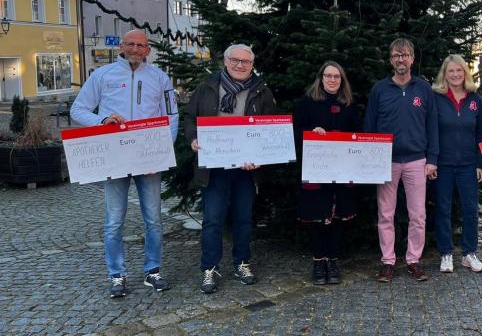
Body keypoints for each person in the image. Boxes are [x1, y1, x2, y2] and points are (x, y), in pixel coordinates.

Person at [70, 29, 178, 298]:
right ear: (122, 45)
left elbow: (172, 115)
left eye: (141, 45)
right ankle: (116, 275)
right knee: (114, 220)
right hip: (114, 157)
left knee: (153, 219)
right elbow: (78, 110)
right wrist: (101, 120)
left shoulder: (160, 78)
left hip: (148, 157)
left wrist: (162, 154)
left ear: (148, 50)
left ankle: (153, 270)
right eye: (131, 43)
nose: (136, 49)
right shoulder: (102, 75)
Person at [184, 44, 277, 294]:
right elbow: (190, 117)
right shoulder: (208, 86)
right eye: (235, 60)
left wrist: (260, 156)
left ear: (252, 65)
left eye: (245, 62)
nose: (240, 65)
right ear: (225, 61)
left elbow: (269, 128)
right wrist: (193, 138)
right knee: (212, 221)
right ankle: (209, 268)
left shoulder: (262, 91)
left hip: (246, 169)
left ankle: (242, 262)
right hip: (214, 167)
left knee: (244, 219)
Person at [364, 38, 438, 282]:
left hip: (417, 160)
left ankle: (413, 259)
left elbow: (432, 126)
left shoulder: (424, 89)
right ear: (390, 59)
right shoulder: (380, 89)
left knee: (418, 215)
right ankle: (387, 261)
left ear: (412, 58)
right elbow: (370, 126)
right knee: (386, 214)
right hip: (386, 161)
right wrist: (370, 160)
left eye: (405, 55)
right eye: (396, 55)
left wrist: (432, 159)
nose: (401, 59)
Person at [294, 61, 361, 285]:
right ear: (320, 78)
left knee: (339, 218)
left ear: (342, 80)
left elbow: (358, 135)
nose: (332, 80)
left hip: (343, 171)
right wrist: (310, 133)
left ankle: (332, 260)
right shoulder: (307, 103)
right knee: (317, 218)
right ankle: (318, 261)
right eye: (328, 76)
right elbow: (294, 132)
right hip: (317, 171)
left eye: (337, 76)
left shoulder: (350, 104)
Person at [431, 54, 482, 274]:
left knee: (470, 210)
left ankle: (469, 254)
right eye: (451, 71)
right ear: (444, 74)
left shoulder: (475, 100)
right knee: (443, 209)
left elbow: (481, 133)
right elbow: (431, 132)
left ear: (465, 73)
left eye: (459, 71)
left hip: (468, 165)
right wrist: (432, 161)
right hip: (443, 165)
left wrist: (480, 164)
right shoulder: (436, 98)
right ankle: (446, 253)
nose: (455, 75)